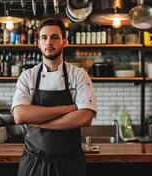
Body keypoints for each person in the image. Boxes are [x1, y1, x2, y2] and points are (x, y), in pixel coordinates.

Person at [11, 17, 97, 176]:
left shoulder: (78, 75)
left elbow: (85, 117)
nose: (49, 42)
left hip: (69, 164)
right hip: (34, 163)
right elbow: (20, 115)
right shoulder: (27, 76)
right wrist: (66, 109)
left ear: (65, 42)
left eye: (54, 37)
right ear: (38, 43)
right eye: (44, 37)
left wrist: (38, 122)